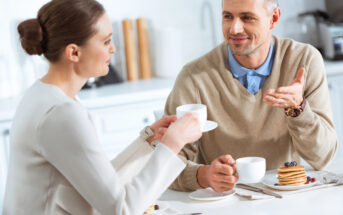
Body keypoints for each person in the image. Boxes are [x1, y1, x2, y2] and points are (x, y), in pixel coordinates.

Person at [2, 0, 202, 214]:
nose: (113, 49)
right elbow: (121, 209)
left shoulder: (43, 95)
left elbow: (103, 185)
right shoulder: (61, 114)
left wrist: (148, 140)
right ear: (74, 53)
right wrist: (173, 144)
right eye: (106, 41)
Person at [164, 0, 338, 192]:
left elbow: (323, 157)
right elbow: (164, 165)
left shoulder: (304, 61)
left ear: (273, 18)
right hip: (225, 202)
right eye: (228, 16)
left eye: (247, 18)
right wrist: (204, 175)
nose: (235, 28)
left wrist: (299, 110)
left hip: (288, 199)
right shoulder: (194, 77)